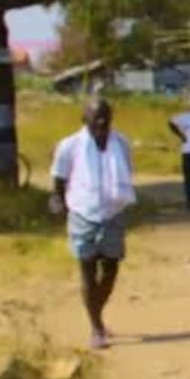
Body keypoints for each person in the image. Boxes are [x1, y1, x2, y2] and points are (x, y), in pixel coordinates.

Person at [50, 100, 136, 350]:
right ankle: (97, 328)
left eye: (106, 117)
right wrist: (58, 201)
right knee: (87, 269)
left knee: (111, 270)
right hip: (82, 213)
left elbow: (126, 175)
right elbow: (59, 181)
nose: (102, 122)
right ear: (84, 119)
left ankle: (95, 311)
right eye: (96, 117)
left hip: (113, 213)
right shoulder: (69, 146)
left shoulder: (122, 143)